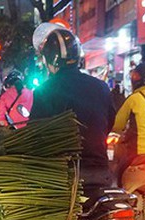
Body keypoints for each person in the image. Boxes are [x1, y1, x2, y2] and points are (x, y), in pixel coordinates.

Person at [30, 24, 116, 187]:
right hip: (100, 173)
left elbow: (35, 135)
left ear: (49, 61)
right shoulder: (101, 87)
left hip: (62, 177)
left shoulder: (44, 91)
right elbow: (109, 122)